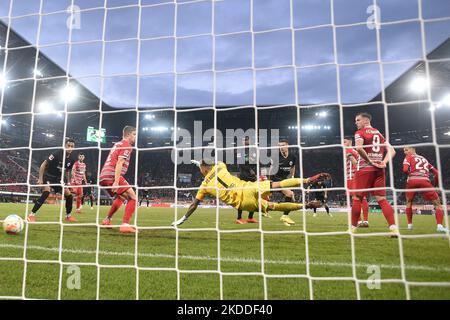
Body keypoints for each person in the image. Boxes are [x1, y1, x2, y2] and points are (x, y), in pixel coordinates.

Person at [171, 160, 329, 227]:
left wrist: (183, 219)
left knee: (274, 206)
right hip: (248, 187)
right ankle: (308, 180)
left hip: (243, 202)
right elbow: (208, 166)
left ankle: (306, 205)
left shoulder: (203, 186)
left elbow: (194, 205)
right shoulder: (220, 165)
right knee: (276, 184)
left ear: (203, 171)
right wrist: (200, 162)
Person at [352, 113, 398, 237]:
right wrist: (384, 162)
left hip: (364, 169)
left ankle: (352, 229)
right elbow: (392, 151)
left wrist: (369, 161)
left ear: (366, 120)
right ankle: (394, 228)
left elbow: (359, 148)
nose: (356, 122)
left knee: (357, 198)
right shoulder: (379, 134)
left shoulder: (360, 133)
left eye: (358, 120)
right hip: (379, 170)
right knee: (382, 199)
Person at [27, 138, 77, 223]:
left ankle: (68, 216)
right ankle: (31, 215)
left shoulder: (72, 158)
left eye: (72, 146)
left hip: (58, 179)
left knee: (69, 195)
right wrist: (40, 179)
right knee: (46, 192)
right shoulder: (57, 153)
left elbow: (68, 171)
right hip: (48, 176)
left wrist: (68, 183)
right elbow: (43, 164)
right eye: (68, 145)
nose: (70, 148)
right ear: (64, 145)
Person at [99, 126, 138, 234]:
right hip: (112, 174)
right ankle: (125, 225)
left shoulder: (117, 144)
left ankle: (107, 219)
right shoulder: (126, 145)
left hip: (103, 175)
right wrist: (116, 181)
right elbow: (120, 162)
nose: (135, 137)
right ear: (128, 135)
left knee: (122, 197)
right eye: (134, 134)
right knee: (133, 197)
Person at [402, 146, 447, 232]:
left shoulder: (409, 157)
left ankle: (409, 225)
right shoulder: (424, 159)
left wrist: (410, 175)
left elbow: (404, 170)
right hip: (425, 181)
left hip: (412, 181)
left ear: (412, 149)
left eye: (406, 150)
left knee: (408, 202)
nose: (405, 152)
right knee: (437, 204)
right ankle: (440, 227)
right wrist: (435, 185)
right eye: (404, 151)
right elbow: (437, 173)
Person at [269, 139, 298, 226]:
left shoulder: (293, 156)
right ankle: (285, 216)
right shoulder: (275, 157)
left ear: (287, 146)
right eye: (279, 146)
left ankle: (284, 216)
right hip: (276, 179)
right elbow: (271, 169)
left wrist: (292, 177)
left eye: (283, 145)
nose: (281, 147)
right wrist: (269, 180)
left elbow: (293, 167)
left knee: (291, 196)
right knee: (289, 194)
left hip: (285, 180)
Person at [344, 137, 369, 227]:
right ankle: (365, 221)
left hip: (352, 177)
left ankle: (358, 222)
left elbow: (354, 163)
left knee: (355, 199)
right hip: (359, 176)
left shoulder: (348, 150)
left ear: (350, 142)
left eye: (345, 142)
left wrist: (356, 173)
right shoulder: (356, 151)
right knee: (363, 198)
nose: (343, 144)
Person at [236, 137, 258, 224]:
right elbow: (240, 164)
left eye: (247, 140)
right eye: (244, 140)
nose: (245, 142)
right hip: (244, 176)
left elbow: (256, 163)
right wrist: (250, 170)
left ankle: (250, 217)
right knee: (241, 196)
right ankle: (239, 218)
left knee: (254, 196)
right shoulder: (239, 151)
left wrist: (255, 172)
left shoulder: (253, 151)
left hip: (252, 177)